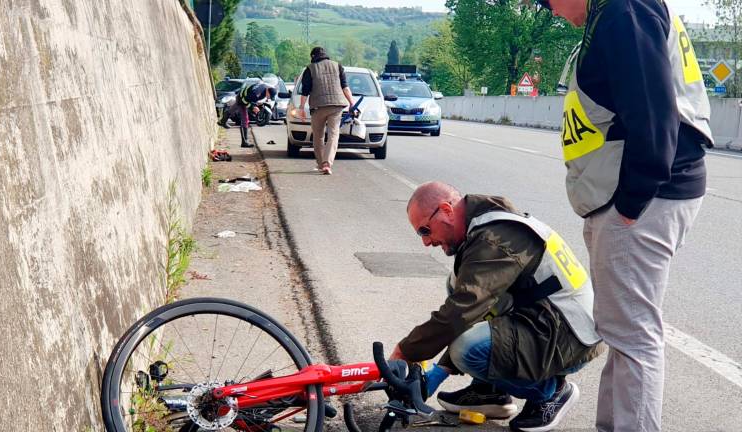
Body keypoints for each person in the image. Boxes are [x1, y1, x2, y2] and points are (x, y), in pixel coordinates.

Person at [535, 1, 713, 431]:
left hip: (644, 199)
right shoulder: (618, 11)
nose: (552, 12)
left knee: (634, 337)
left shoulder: (624, 10)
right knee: (622, 332)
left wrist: (631, 204)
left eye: (546, 2)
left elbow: (653, 115)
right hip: (643, 195)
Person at [390, 182, 604, 432]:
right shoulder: (484, 227)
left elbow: (460, 314)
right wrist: (436, 375)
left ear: (447, 210)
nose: (426, 241)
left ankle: (550, 393)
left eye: (425, 230)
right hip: (547, 320)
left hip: (569, 335)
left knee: (466, 348)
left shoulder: (496, 238)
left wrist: (404, 352)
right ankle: (489, 391)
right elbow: (474, 309)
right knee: (458, 284)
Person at [298, 47, 356, 175]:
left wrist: (301, 108)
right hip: (336, 105)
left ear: (313, 56)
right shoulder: (337, 66)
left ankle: (321, 164)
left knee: (318, 136)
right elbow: (345, 87)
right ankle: (327, 163)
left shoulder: (310, 68)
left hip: (318, 107)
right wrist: (352, 103)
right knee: (333, 135)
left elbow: (305, 91)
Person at [218, 81, 275, 148]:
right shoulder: (257, 92)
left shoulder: (264, 89)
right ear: (267, 91)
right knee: (245, 119)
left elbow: (253, 99)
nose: (269, 98)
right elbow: (245, 100)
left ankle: (222, 121)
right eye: (269, 96)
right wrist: (252, 107)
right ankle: (244, 142)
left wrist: (256, 104)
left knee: (232, 109)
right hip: (242, 98)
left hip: (243, 97)